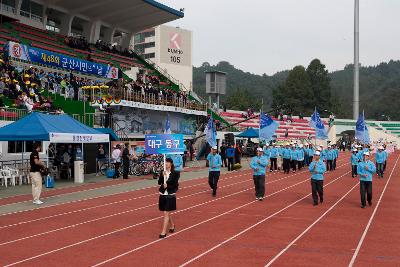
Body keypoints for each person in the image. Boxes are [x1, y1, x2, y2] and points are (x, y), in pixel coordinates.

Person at [158, 158, 179, 238]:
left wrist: (168, 186)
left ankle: (163, 232)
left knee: (166, 213)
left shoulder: (175, 173)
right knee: (166, 212)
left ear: (171, 163)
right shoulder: (162, 172)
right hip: (163, 194)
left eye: (167, 162)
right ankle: (172, 225)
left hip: (170, 195)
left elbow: (176, 185)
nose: (166, 164)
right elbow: (159, 182)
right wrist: (162, 176)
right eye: (165, 162)